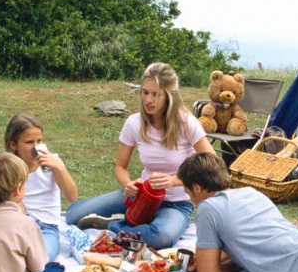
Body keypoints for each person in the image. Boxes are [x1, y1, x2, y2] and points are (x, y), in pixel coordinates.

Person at [65, 62, 215, 249]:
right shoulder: (134, 123)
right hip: (141, 196)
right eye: (145, 92)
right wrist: (127, 184)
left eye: (155, 94)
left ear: (169, 96)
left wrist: (174, 181)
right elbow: (120, 167)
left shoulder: (186, 123)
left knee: (162, 236)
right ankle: (134, 223)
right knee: (72, 215)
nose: (148, 100)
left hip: (175, 204)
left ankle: (113, 225)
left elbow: (212, 162)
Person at [4, 114, 79, 261]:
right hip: (15, 223)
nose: (36, 147)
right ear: (13, 145)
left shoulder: (51, 163)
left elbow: (72, 197)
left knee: (40, 258)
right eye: (29, 142)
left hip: (46, 227)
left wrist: (60, 168)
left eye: (39, 141)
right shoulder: (7, 166)